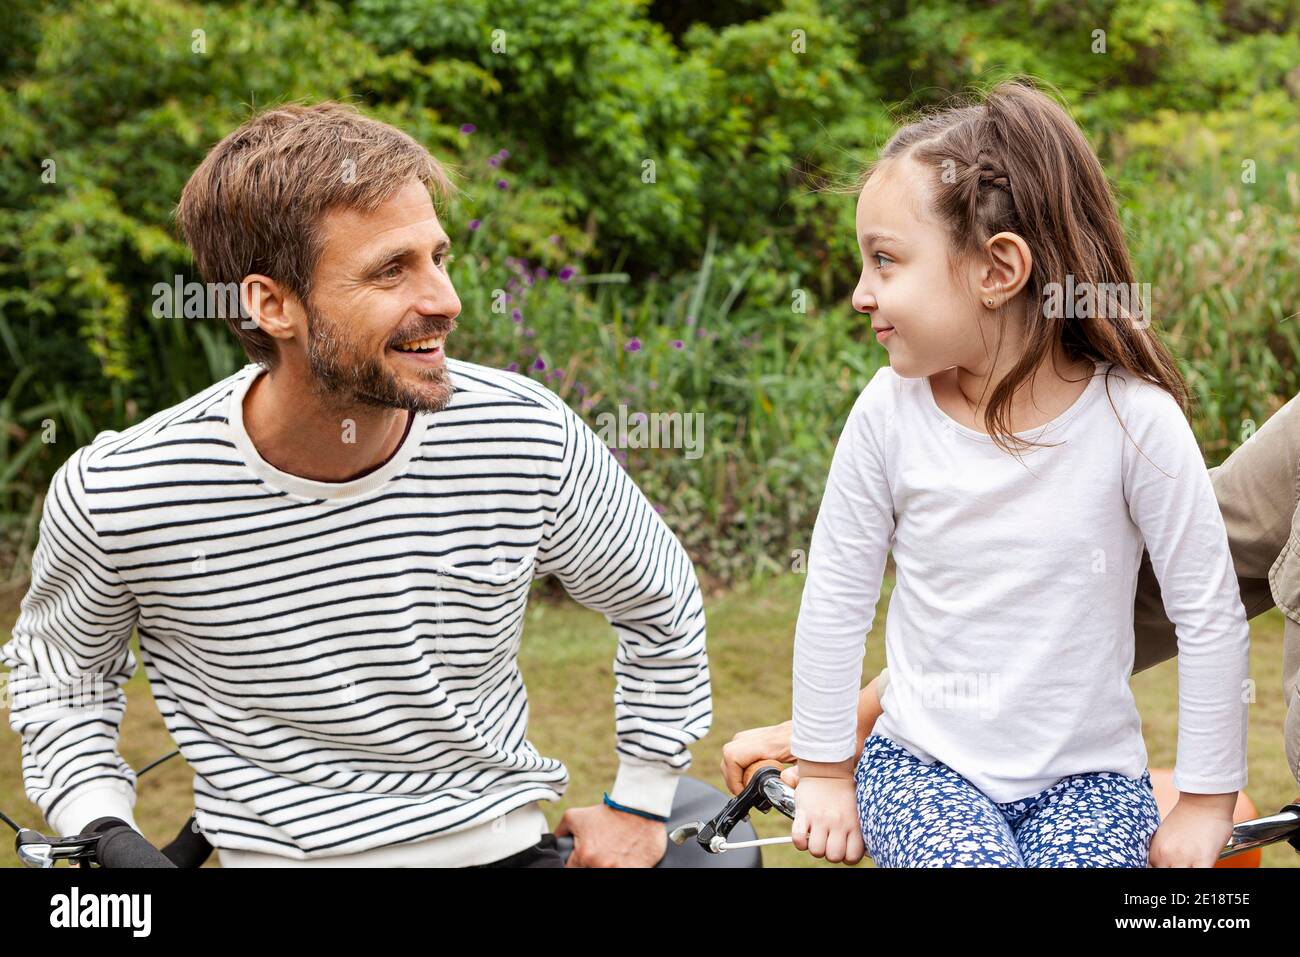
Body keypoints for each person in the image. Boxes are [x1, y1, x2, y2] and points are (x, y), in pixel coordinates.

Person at [1, 102, 711, 868]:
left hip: (503, 849)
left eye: (438, 256)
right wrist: (103, 826)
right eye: (391, 270)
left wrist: (641, 799)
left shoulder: (525, 431)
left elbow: (659, 601)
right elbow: (60, 677)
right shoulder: (122, 491)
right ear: (271, 304)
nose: (445, 299)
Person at [775, 80, 1250, 868]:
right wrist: (826, 769)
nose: (860, 294)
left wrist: (1205, 801)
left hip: (1092, 782)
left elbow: (1208, 613)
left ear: (998, 269)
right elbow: (835, 598)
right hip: (924, 768)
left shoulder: (1136, 419)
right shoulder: (888, 412)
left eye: (885, 261)